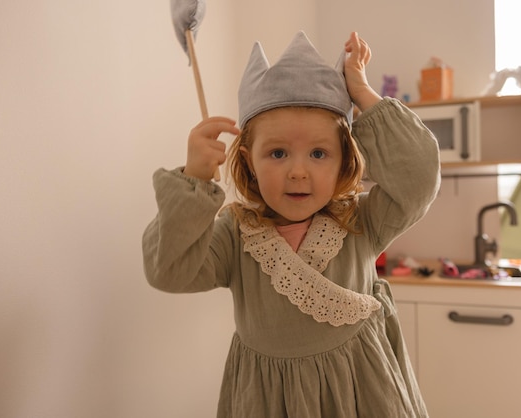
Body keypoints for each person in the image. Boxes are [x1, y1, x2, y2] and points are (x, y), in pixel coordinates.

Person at [142, 31, 440, 418]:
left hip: (362, 396)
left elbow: (418, 178)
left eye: (319, 153)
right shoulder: (235, 235)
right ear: (249, 161)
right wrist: (194, 179)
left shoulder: (362, 221)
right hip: (267, 402)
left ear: (344, 161)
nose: (298, 172)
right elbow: (169, 270)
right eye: (278, 153)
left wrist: (363, 92)